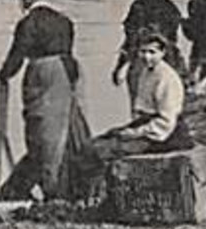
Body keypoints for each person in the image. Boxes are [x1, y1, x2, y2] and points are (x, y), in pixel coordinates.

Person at [0, 0, 90, 201]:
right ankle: (60, 183)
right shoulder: (64, 21)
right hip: (68, 70)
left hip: (43, 72)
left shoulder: (27, 23)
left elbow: (17, 55)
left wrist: (4, 74)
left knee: (40, 129)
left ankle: (51, 189)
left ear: (24, 4)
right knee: (64, 128)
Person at [76, 32, 191, 201]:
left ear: (163, 53)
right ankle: (87, 195)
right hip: (147, 125)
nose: (146, 57)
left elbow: (166, 122)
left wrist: (134, 133)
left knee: (101, 150)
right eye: (143, 51)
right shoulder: (147, 72)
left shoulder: (168, 79)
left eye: (152, 52)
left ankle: (98, 198)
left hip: (164, 135)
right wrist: (128, 129)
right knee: (97, 141)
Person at [112, 0, 186, 96]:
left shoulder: (138, 7)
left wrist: (121, 65)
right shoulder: (169, 7)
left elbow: (131, 40)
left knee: (142, 106)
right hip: (168, 60)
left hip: (142, 62)